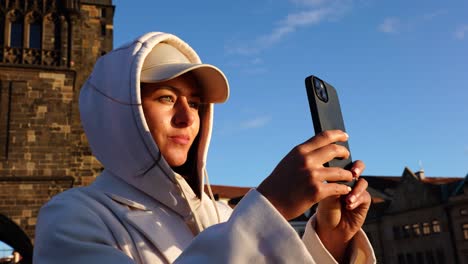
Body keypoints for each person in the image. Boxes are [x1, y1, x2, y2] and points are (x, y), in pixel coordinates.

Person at [33, 31, 375, 263]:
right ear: (120, 111)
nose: (187, 117)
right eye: (167, 97)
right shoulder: (73, 217)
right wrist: (268, 209)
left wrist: (332, 240)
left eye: (196, 103)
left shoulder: (223, 215)